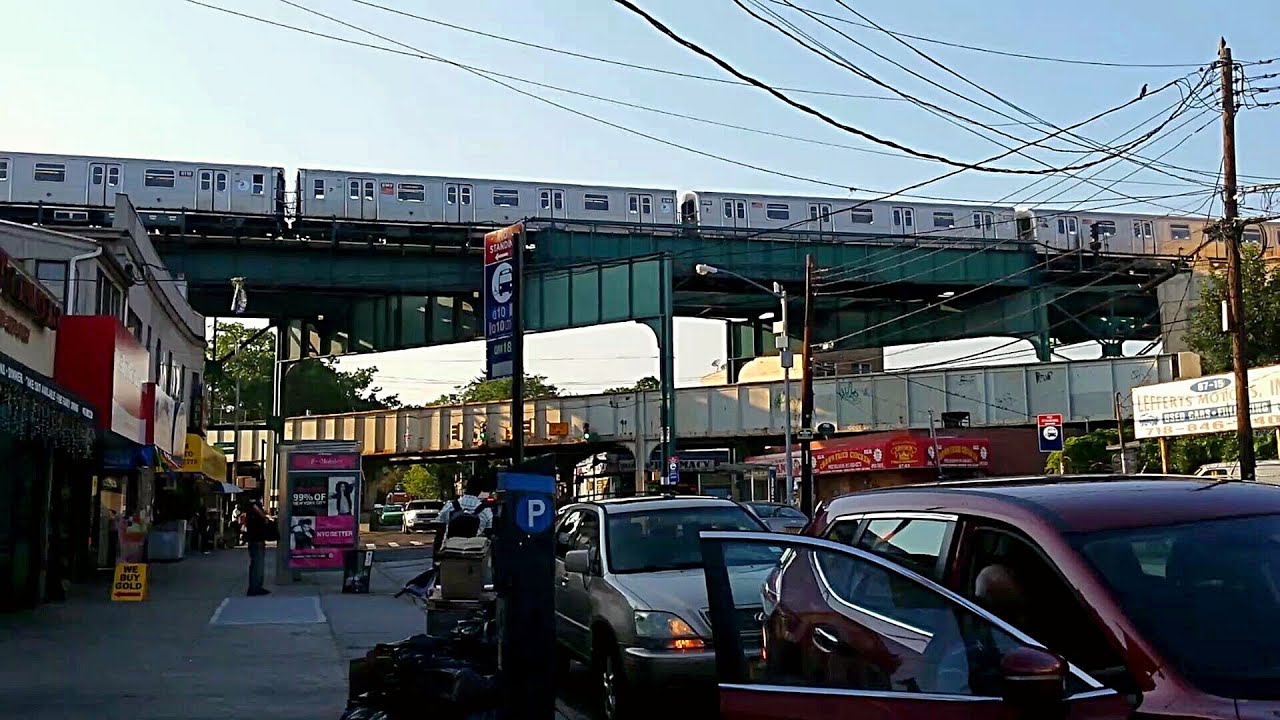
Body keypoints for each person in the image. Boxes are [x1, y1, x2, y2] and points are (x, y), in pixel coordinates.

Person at [433, 478, 494, 554]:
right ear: (480, 491)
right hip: (474, 552)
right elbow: (489, 534)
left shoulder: (450, 506)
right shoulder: (486, 511)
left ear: (466, 488)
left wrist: (436, 555)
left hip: (450, 550)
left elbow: (440, 532)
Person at [244, 495, 272, 597]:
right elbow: (263, 522)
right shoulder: (255, 512)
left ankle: (256, 586)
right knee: (257, 565)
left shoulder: (251, 512)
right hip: (257, 541)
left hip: (255, 540)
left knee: (257, 565)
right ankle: (255, 587)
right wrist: (265, 518)